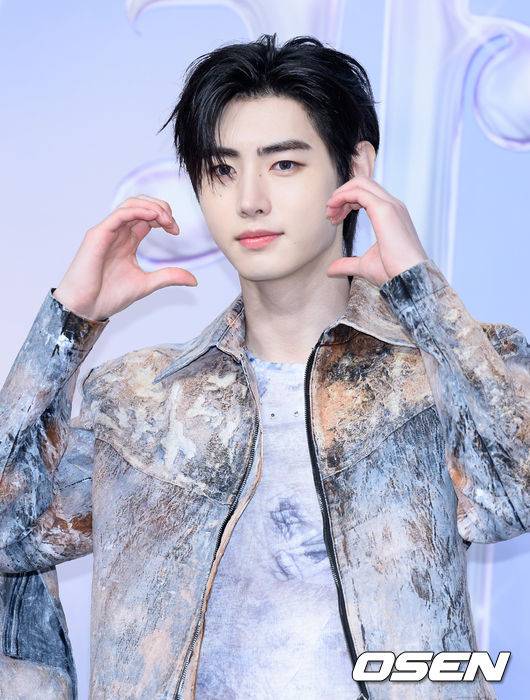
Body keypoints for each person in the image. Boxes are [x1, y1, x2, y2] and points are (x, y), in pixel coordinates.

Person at [0, 33, 529, 700]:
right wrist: (66, 324)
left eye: (283, 165)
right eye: (222, 170)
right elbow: (9, 533)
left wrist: (421, 294)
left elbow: (514, 490)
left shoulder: (446, 371)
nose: (249, 199)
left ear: (356, 168)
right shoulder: (140, 403)